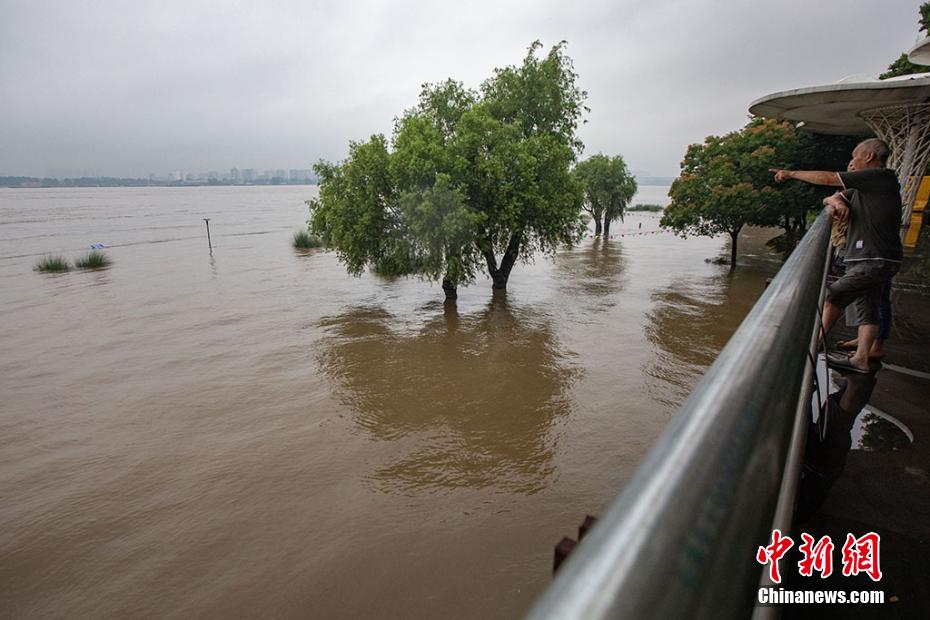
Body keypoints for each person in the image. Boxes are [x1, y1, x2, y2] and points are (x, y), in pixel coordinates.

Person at [772, 138, 902, 373]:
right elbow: (835, 194)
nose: (851, 163)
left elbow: (831, 178)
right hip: (873, 258)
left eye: (855, 157)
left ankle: (812, 347)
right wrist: (834, 200)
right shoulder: (866, 188)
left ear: (869, 157)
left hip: (874, 258)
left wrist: (791, 173)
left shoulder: (879, 177)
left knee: (834, 294)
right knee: (868, 307)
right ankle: (861, 357)